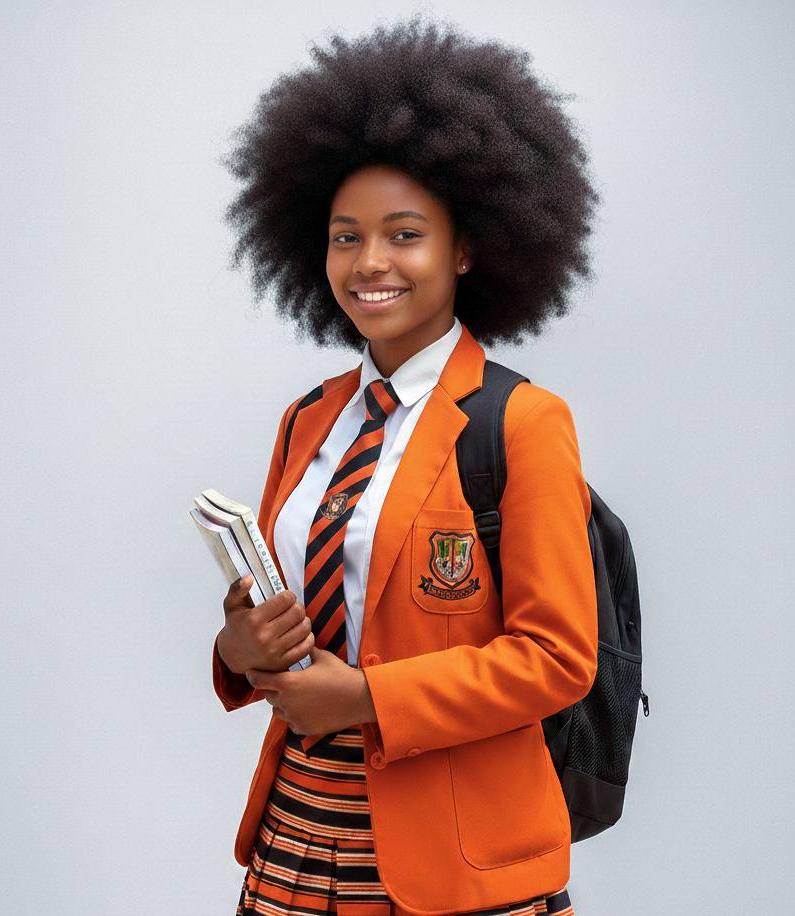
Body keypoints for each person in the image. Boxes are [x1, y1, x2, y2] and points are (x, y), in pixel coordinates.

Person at [211, 15, 600, 916]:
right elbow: (280, 609)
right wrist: (238, 650)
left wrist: (369, 697)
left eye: (405, 234)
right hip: (295, 839)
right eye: (346, 236)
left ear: (467, 248)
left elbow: (556, 659)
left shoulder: (524, 423)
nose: (370, 263)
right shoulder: (308, 420)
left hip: (457, 864)